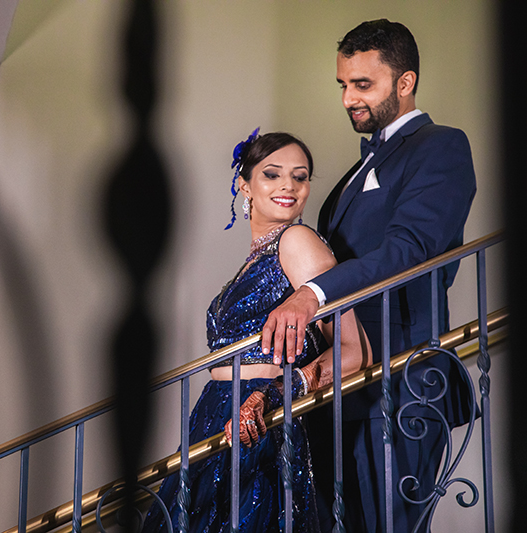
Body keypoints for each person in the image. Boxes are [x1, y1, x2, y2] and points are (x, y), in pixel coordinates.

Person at [258, 20, 477, 531]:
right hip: (342, 391)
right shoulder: (353, 174)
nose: (348, 99)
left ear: (405, 82)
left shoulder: (441, 146)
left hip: (400, 385)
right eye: (343, 84)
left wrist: (313, 294)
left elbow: (410, 247)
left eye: (362, 85)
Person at [141, 130, 369, 533]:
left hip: (259, 417)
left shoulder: (298, 241)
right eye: (272, 174)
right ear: (244, 184)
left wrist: (277, 395)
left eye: (300, 177)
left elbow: (354, 351)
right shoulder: (254, 259)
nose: (288, 186)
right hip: (214, 412)